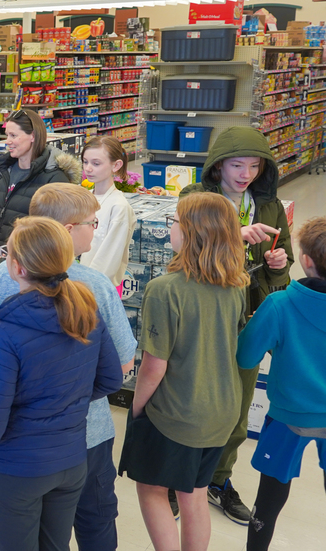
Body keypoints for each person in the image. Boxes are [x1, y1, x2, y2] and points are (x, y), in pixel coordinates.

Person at [0, 184, 137, 551]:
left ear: (18, 265)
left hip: (19, 452)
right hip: (81, 438)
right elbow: (120, 367)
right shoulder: (91, 291)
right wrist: (73, 396)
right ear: (65, 231)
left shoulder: (2, 286)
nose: (95, 229)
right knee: (90, 522)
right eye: (91, 223)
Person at [118, 192, 249, 551]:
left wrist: (138, 408)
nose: (168, 226)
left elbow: (154, 366)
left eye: (174, 221)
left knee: (151, 489)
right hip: (222, 410)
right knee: (194, 493)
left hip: (177, 413)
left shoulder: (164, 290)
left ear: (191, 233)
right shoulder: (236, 285)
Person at [179, 125, 294, 522]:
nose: (245, 173)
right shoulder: (195, 199)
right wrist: (233, 233)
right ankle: (182, 480)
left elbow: (284, 272)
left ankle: (218, 480)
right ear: (217, 166)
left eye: (254, 165)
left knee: (237, 407)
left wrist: (279, 266)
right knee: (193, 401)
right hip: (204, 316)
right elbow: (184, 253)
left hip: (249, 318)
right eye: (236, 164)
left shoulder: (270, 206)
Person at [238, 216, 326, 551]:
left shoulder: (280, 305)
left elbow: (246, 358)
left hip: (288, 417)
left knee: (270, 499)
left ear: (305, 260)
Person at [0, 109, 78, 273]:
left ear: (33, 136)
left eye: (13, 135)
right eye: (7, 135)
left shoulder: (54, 179)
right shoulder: (0, 171)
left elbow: (49, 235)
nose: (7, 141)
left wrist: (7, 264)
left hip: (26, 274)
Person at [79, 136, 136, 286]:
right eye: (85, 162)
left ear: (116, 165)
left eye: (96, 163)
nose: (88, 168)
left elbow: (110, 256)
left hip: (99, 285)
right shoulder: (85, 197)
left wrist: (88, 285)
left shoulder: (119, 206)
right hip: (79, 280)